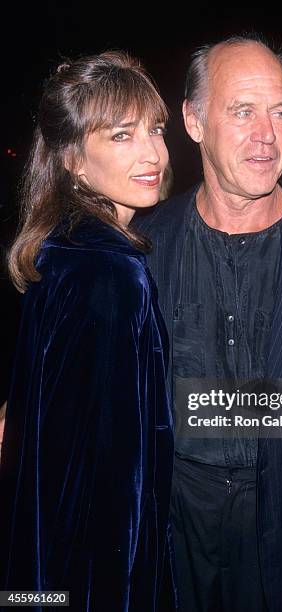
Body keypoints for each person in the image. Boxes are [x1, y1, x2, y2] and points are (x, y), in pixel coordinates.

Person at [132, 35, 282, 611]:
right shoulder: (140, 250)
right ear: (193, 121)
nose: (266, 134)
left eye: (280, 112)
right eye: (242, 111)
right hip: (166, 533)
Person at [0, 51, 174, 612]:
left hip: (42, 560)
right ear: (73, 159)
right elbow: (113, 489)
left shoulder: (64, 245)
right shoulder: (109, 271)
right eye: (122, 135)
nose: (153, 153)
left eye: (154, 129)